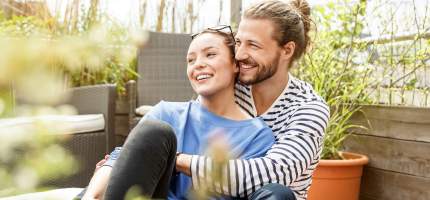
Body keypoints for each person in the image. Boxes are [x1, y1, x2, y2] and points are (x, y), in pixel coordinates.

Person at [93, 0, 329, 199]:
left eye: (253, 45)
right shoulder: (234, 86)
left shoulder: (308, 109)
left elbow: (270, 174)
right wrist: (129, 160)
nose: (241, 54)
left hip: (263, 192)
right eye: (238, 42)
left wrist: (176, 160)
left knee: (277, 193)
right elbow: (189, 122)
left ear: (287, 50)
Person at [82, 26, 280, 200]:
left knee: (279, 193)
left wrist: (176, 160)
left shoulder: (257, 136)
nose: (198, 64)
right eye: (190, 60)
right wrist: (91, 195)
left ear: (236, 64)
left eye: (210, 54)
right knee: (154, 131)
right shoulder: (166, 113)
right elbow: (120, 157)